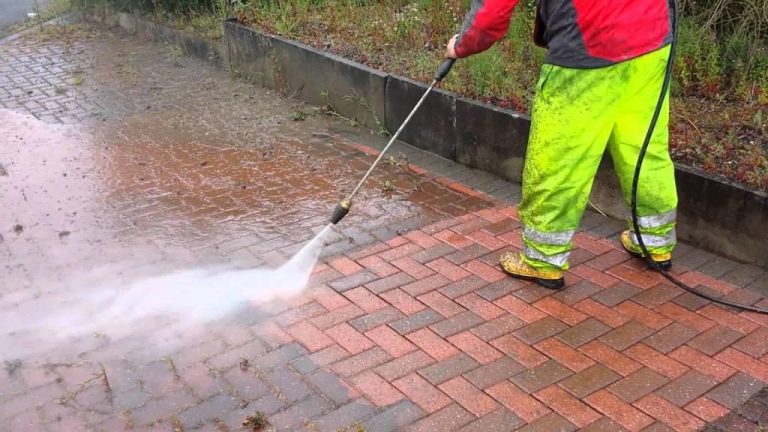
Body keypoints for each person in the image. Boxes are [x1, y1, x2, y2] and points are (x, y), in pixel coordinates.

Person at [445, 0, 678, 289]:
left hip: (587, 52)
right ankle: (655, 242)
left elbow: (492, 10)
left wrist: (462, 45)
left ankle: (544, 260)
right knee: (643, 147)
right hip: (651, 42)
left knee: (558, 159)